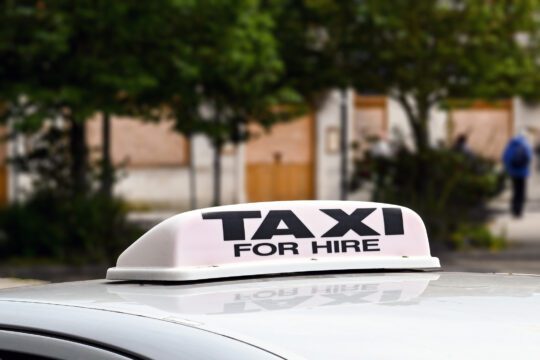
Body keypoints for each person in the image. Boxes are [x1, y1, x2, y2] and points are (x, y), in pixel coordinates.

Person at [502, 134, 533, 218]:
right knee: (521, 192)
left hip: (513, 172)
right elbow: (529, 157)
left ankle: (514, 209)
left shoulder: (511, 145)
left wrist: (508, 168)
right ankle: (519, 210)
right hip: (523, 172)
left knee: (515, 191)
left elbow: (505, 158)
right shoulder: (525, 145)